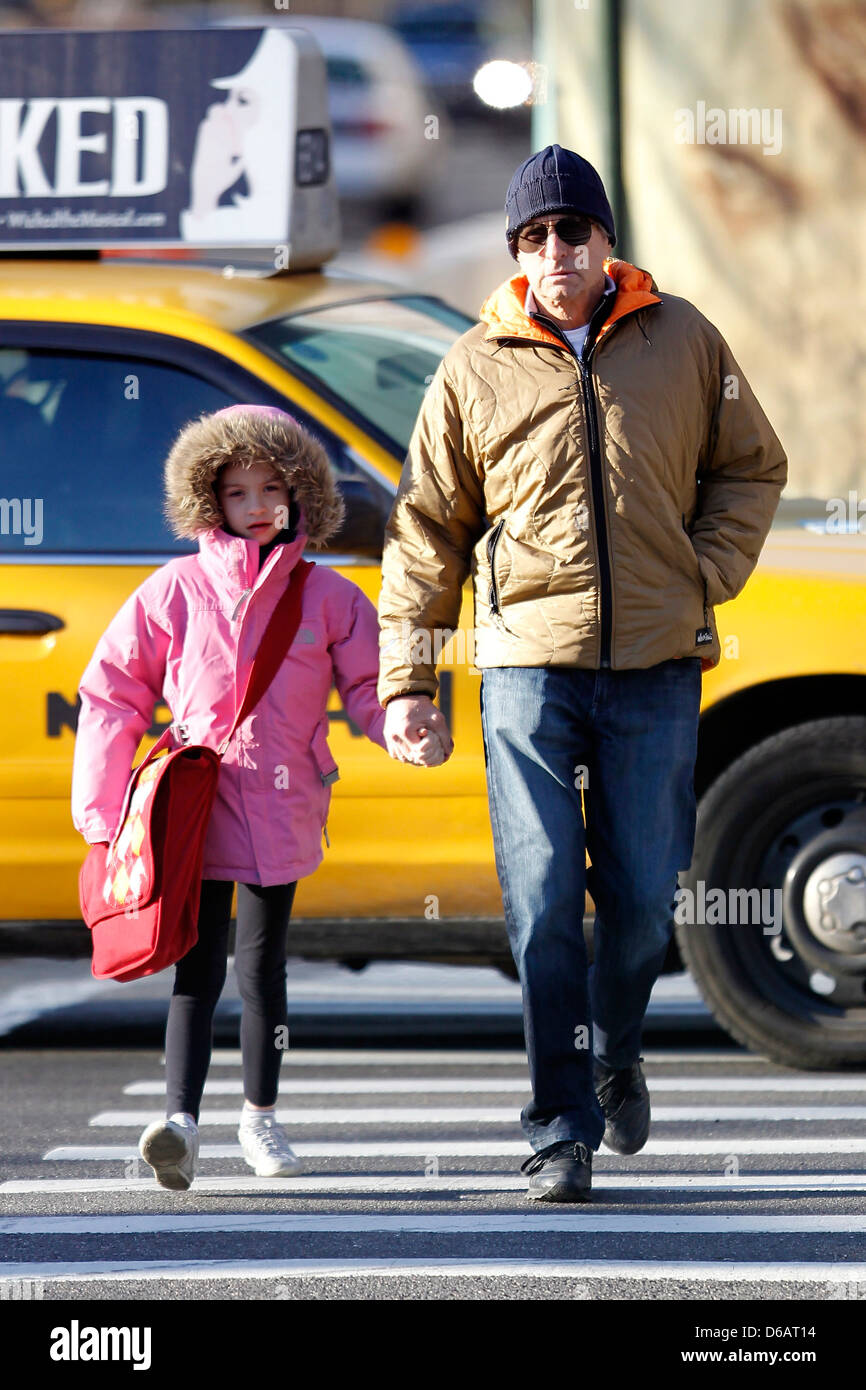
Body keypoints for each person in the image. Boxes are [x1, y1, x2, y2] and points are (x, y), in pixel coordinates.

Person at [377, 145, 787, 1201]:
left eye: (572, 231)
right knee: (545, 898)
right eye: (533, 237)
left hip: (653, 663)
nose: (554, 251)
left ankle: (614, 1049)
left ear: (606, 241)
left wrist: (700, 572)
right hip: (524, 671)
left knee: (646, 902)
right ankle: (558, 1126)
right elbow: (426, 531)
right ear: (516, 254)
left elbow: (750, 466)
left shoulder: (684, 338)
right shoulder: (474, 363)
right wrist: (409, 683)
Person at [72, 404, 390, 1191]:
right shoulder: (174, 590)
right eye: (237, 490)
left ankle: (260, 1118)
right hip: (194, 802)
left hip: (283, 802)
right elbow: (111, 694)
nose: (256, 505)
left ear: (301, 496)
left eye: (272, 488)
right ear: (209, 501)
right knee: (195, 962)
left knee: (262, 966)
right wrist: (104, 817)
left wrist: (403, 726)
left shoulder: (330, 597)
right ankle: (179, 1120)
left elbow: (371, 686)